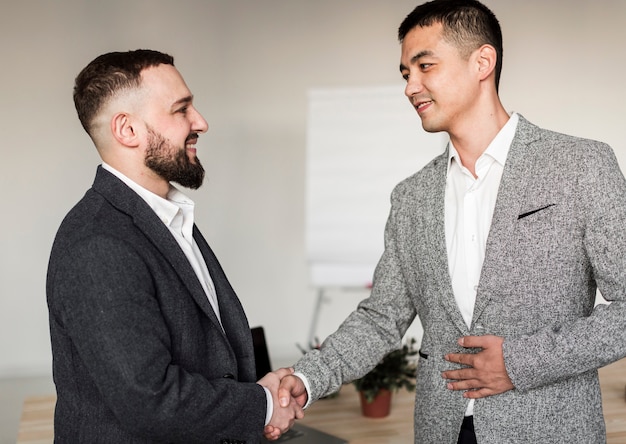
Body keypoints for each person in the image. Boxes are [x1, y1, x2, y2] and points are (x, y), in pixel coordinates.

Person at [276, 1, 626, 443]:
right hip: (440, 428)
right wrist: (307, 379)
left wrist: (519, 361)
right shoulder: (411, 197)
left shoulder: (581, 166)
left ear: (483, 62)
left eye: (425, 66)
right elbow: (381, 317)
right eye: (406, 73)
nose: (410, 87)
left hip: (551, 428)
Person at [46, 49, 302, 443]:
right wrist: (262, 404)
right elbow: (151, 400)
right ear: (127, 130)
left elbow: (200, 356)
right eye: (181, 109)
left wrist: (256, 390)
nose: (201, 122)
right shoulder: (98, 243)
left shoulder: (167, 219)